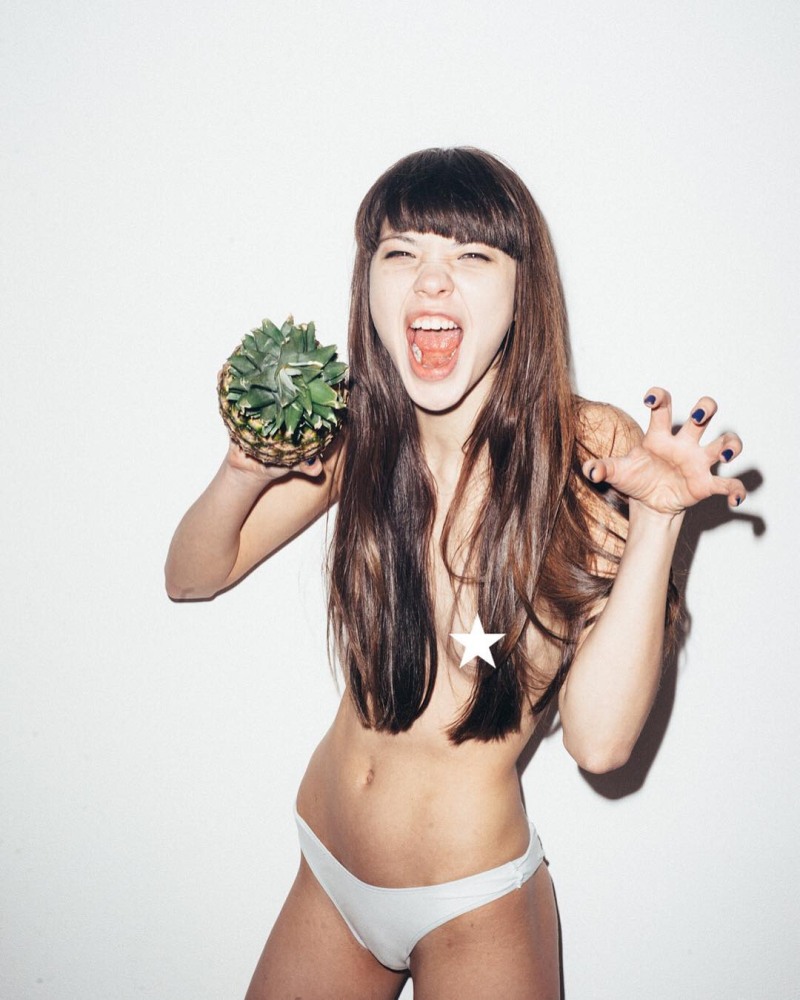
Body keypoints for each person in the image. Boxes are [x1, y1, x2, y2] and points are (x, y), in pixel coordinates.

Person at [165, 147, 745, 1000]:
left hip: (469, 903)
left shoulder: (588, 449)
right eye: (401, 252)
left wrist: (658, 521)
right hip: (326, 867)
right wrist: (244, 468)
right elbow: (191, 575)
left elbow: (601, 743)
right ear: (370, 284)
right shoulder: (360, 430)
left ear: (522, 289)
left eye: (472, 255)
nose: (431, 279)